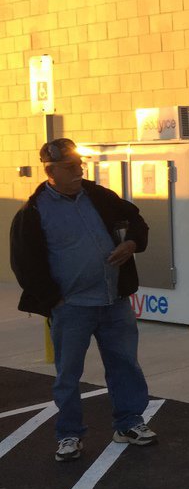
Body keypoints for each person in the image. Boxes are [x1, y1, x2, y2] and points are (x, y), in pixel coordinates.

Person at [9, 138, 156, 462]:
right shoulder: (33, 212)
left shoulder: (99, 197)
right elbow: (25, 263)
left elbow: (137, 222)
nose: (78, 171)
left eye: (80, 165)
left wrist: (131, 243)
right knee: (68, 375)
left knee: (125, 365)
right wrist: (55, 301)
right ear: (51, 171)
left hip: (113, 302)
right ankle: (69, 435)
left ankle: (129, 424)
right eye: (70, 167)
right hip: (72, 308)